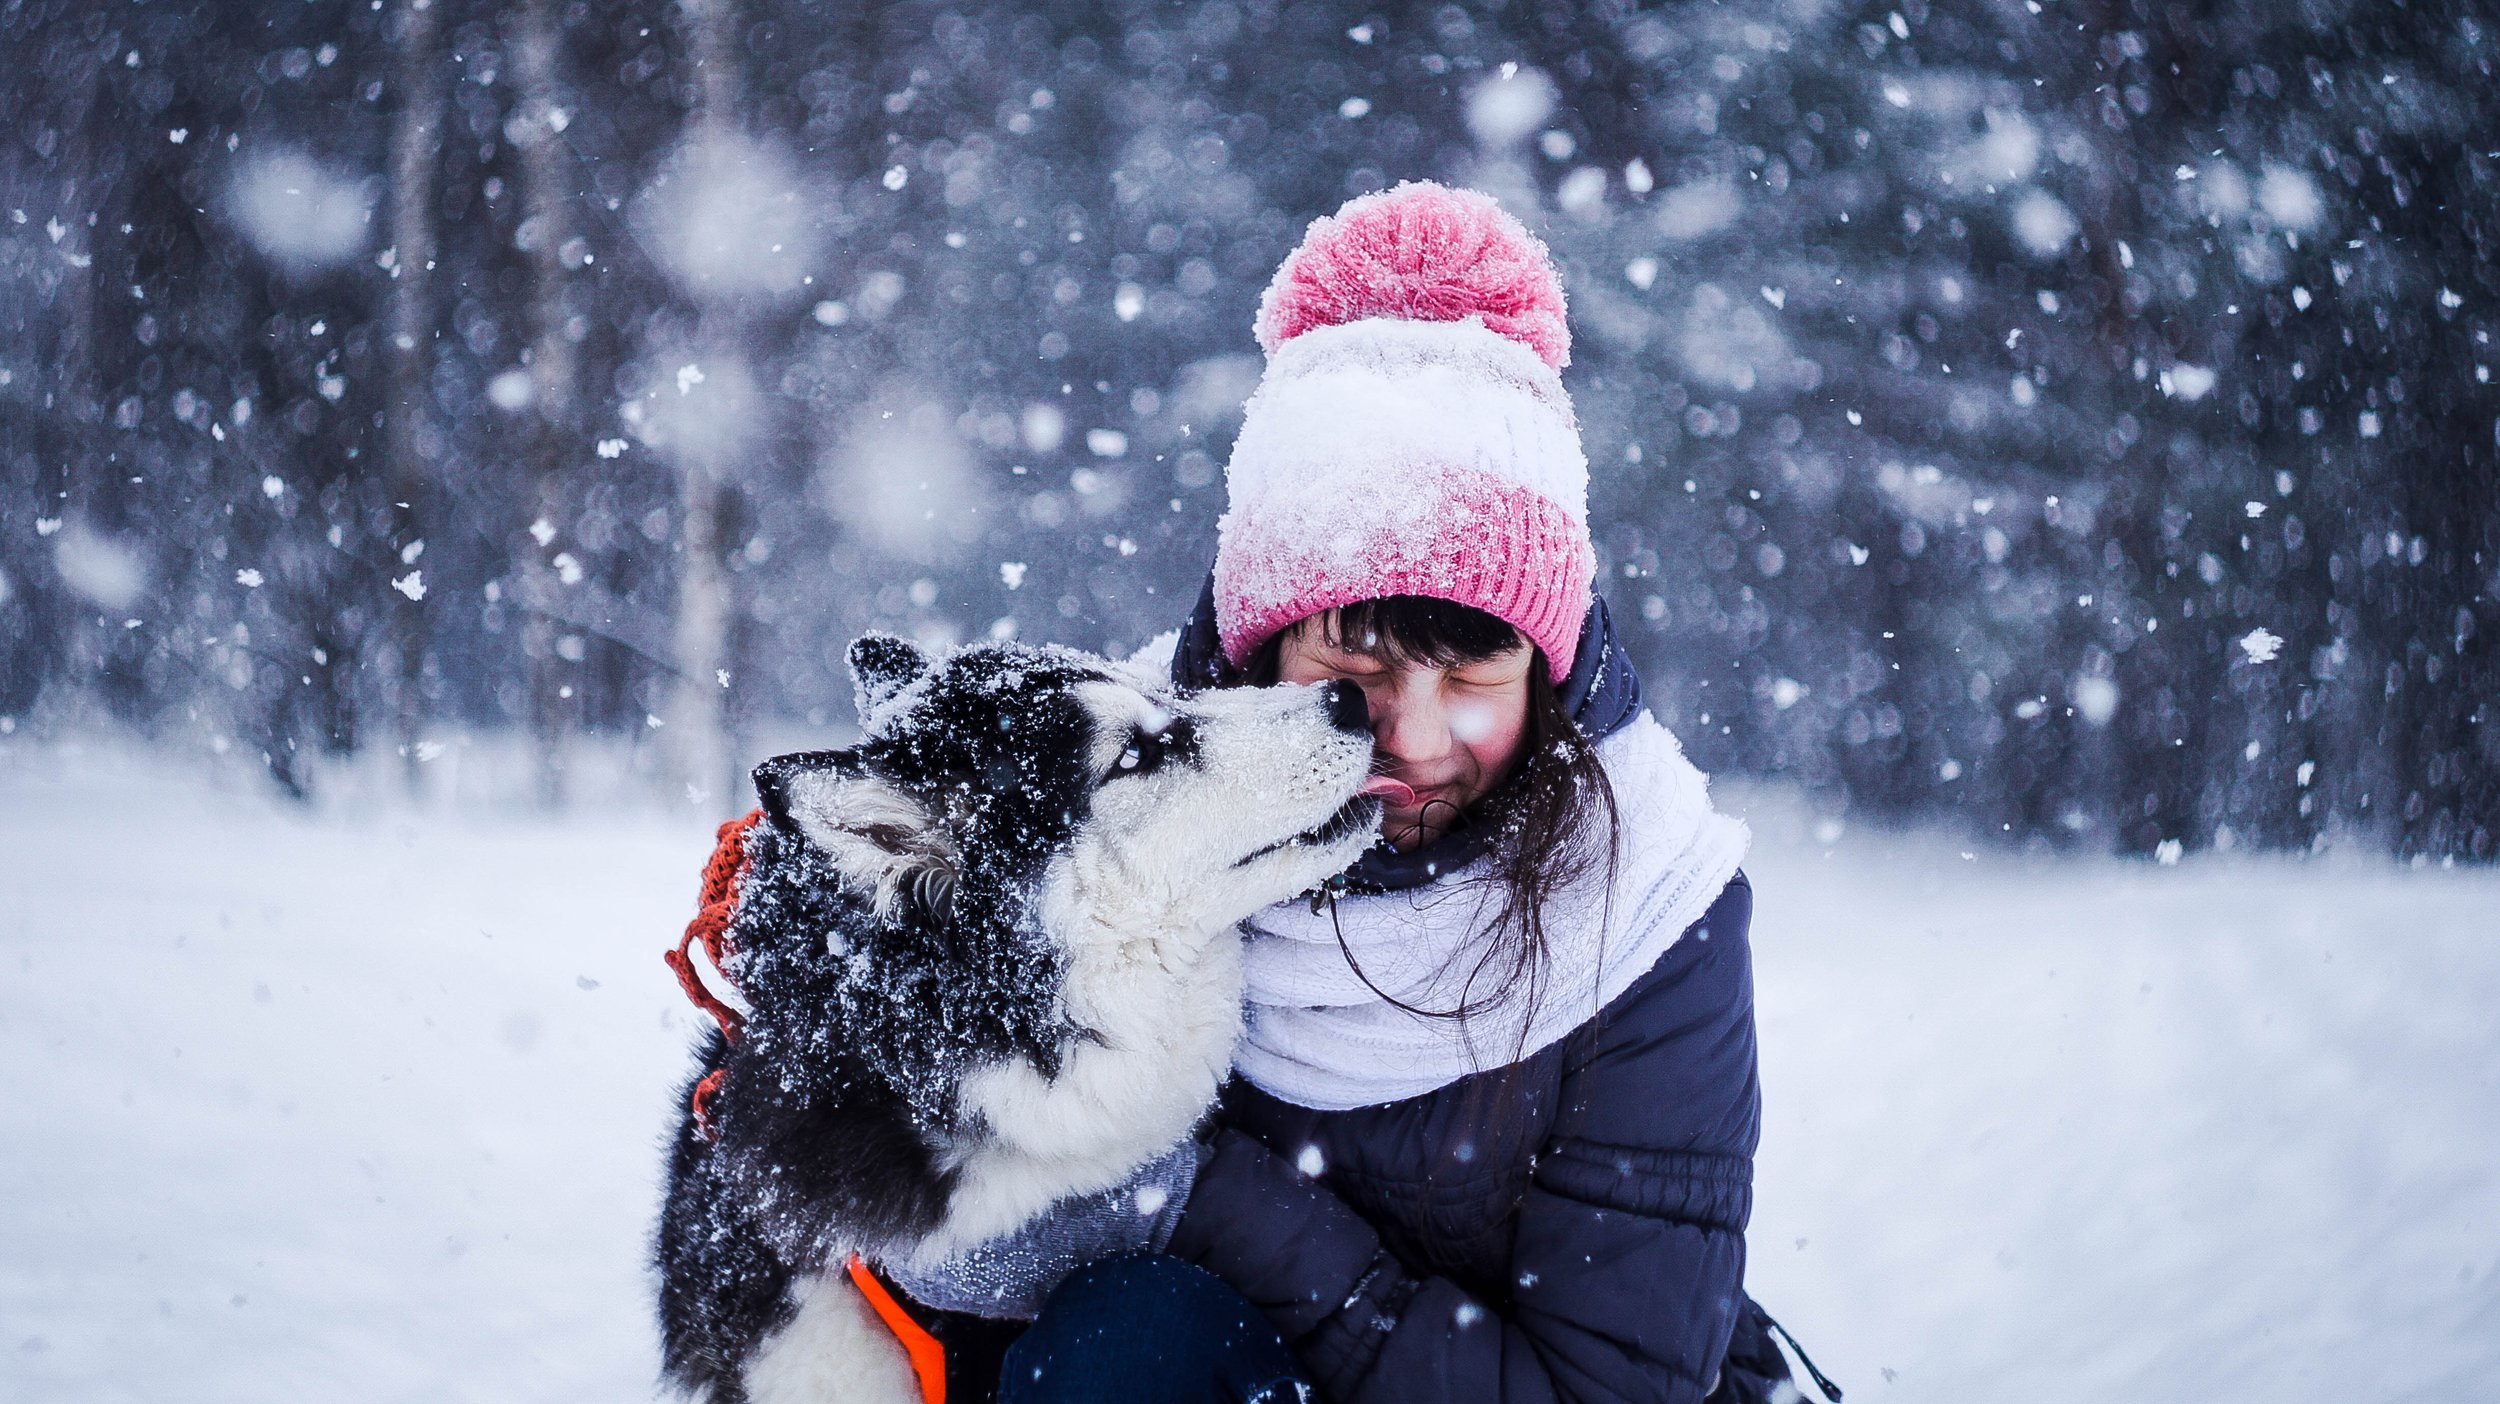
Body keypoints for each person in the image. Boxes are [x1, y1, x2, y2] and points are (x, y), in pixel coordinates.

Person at [888, 182, 1833, 1404]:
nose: (1416, 738)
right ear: (1259, 653)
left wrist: (1202, 1200)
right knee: (1113, 1339)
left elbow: (1607, 1393)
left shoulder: (1649, 906)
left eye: (1473, 670)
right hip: (1232, 1370)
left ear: (1544, 675)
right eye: (1355, 667)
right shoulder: (1127, 805)